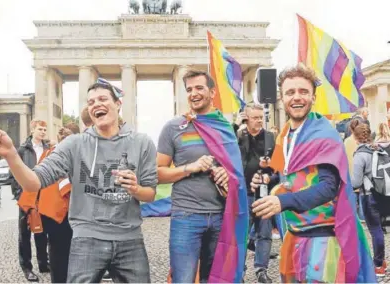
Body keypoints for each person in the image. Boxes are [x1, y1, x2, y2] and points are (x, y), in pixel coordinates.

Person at [0, 82, 157, 283]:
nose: (96, 105)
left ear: (118, 104)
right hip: (87, 237)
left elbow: (150, 193)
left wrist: (135, 189)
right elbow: (33, 183)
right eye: (91, 102)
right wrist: (11, 154)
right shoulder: (75, 144)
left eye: (102, 99)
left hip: (130, 238)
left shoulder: (142, 142)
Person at [250, 64, 376, 283]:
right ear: (281, 97)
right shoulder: (285, 135)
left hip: (323, 238)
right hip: (293, 235)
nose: (296, 97)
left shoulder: (324, 133)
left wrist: (283, 201)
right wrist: (266, 179)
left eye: (303, 91)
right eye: (290, 92)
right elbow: (285, 174)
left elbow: (329, 186)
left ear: (313, 97)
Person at [157, 70, 247, 283]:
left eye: (199, 88)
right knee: (183, 279)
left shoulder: (225, 128)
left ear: (212, 92)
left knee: (215, 279)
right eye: (189, 89)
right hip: (186, 216)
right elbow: (157, 173)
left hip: (221, 215)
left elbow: (237, 172)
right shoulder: (173, 127)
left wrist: (228, 176)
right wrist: (191, 167)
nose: (193, 94)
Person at [18, 127, 74, 283]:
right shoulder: (59, 153)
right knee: (62, 250)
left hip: (50, 208)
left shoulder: (48, 152)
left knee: (56, 250)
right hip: (59, 209)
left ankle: (52, 270)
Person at [233, 104, 275, 283]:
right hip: (243, 194)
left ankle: (261, 270)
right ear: (246, 118)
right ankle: (239, 272)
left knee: (264, 233)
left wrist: (268, 177)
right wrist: (235, 126)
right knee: (241, 234)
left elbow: (277, 168)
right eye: (255, 117)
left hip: (263, 194)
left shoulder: (270, 137)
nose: (259, 121)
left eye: (261, 117)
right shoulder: (239, 136)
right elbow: (226, 150)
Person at [12, 119, 50, 282]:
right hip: (27, 197)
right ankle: (27, 267)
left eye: (45, 129)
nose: (43, 132)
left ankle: (43, 263)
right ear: (32, 130)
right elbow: (14, 173)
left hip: (45, 197)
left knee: (42, 232)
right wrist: (19, 194)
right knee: (25, 234)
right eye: (40, 129)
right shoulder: (22, 150)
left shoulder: (49, 149)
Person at [351, 123, 387, 276]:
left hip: (368, 195)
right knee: (380, 229)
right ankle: (382, 261)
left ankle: (378, 265)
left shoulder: (360, 154)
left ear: (356, 137)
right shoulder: (378, 149)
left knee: (375, 230)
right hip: (383, 194)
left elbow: (356, 183)